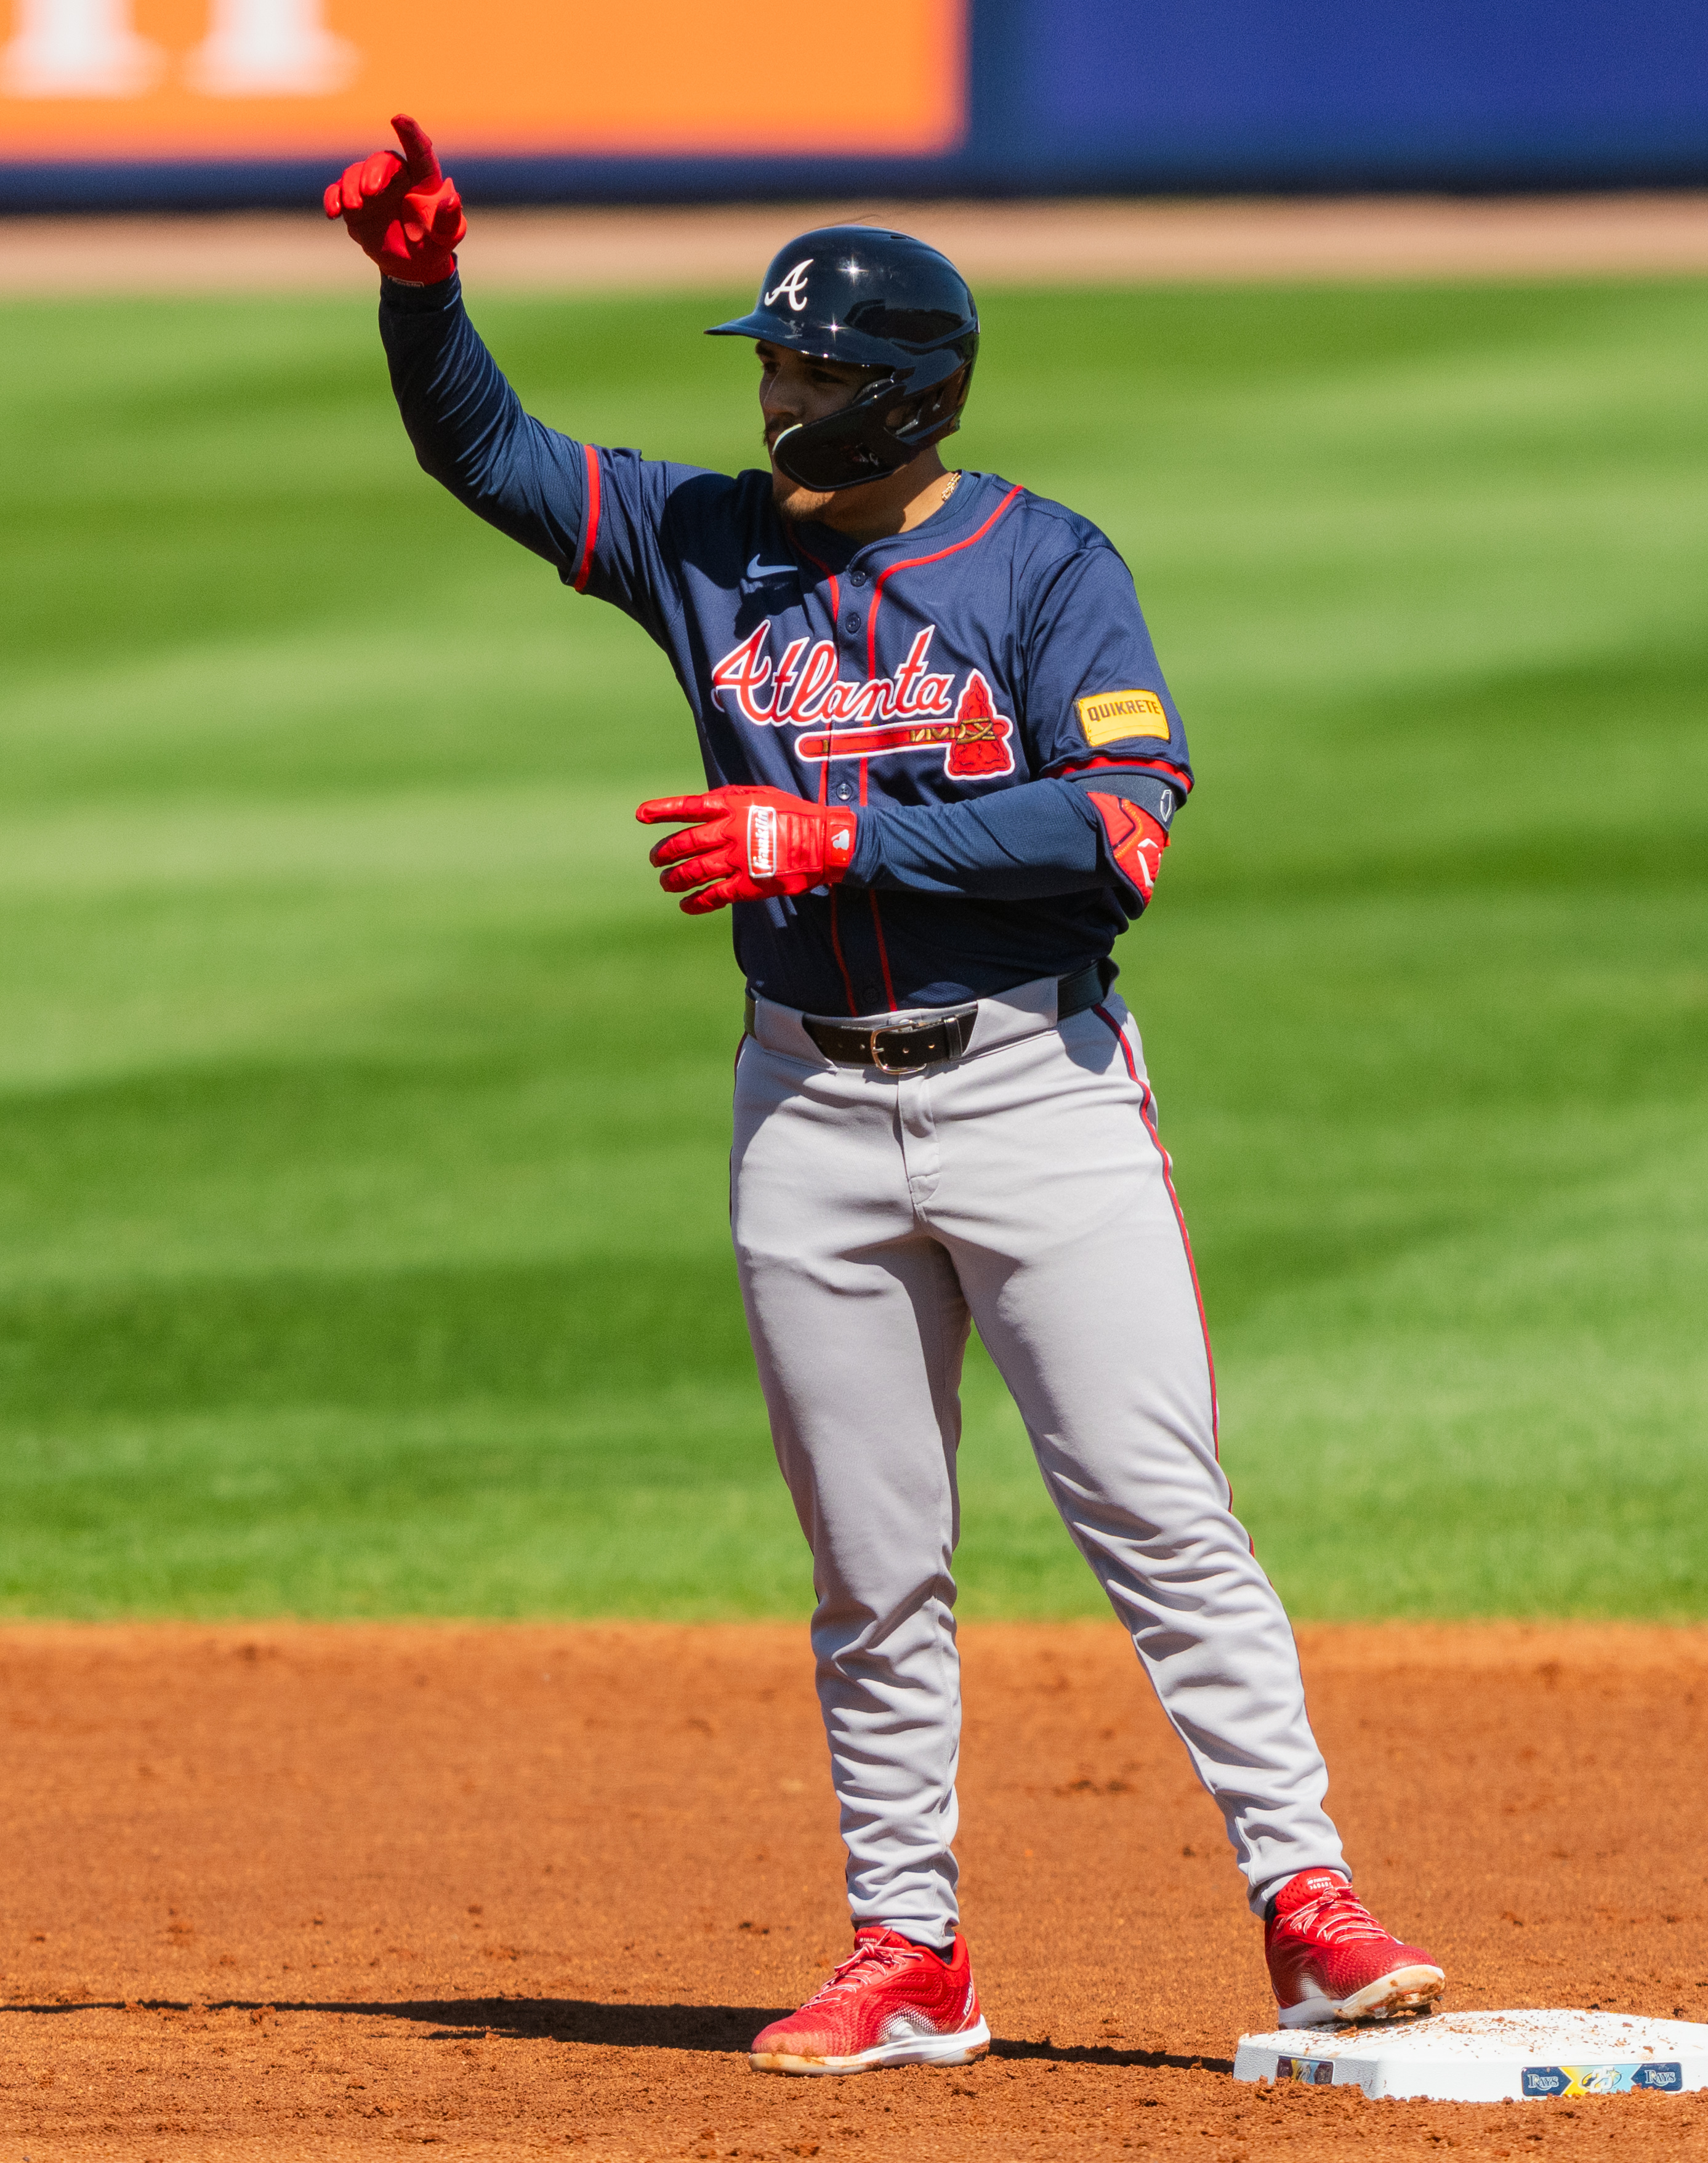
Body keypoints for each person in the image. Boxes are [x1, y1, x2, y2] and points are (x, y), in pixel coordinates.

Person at [326, 116, 1444, 2076]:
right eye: (766, 362)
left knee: (1156, 1515)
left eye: (811, 368)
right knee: (872, 1558)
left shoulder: (1042, 567)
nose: (776, 394)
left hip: (1041, 1099)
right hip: (808, 1120)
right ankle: (910, 1949)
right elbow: (487, 455)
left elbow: (1119, 831)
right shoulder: (708, 546)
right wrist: (426, 291)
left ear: (910, 388)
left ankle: (1310, 1904)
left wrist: (828, 839)